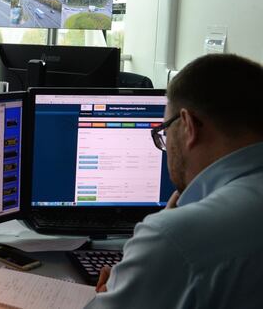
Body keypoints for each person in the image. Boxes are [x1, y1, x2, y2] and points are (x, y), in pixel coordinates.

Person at [87, 54, 263, 308]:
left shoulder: (175, 237)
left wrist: (117, 289)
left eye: (164, 131)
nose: (166, 144)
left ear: (189, 126)